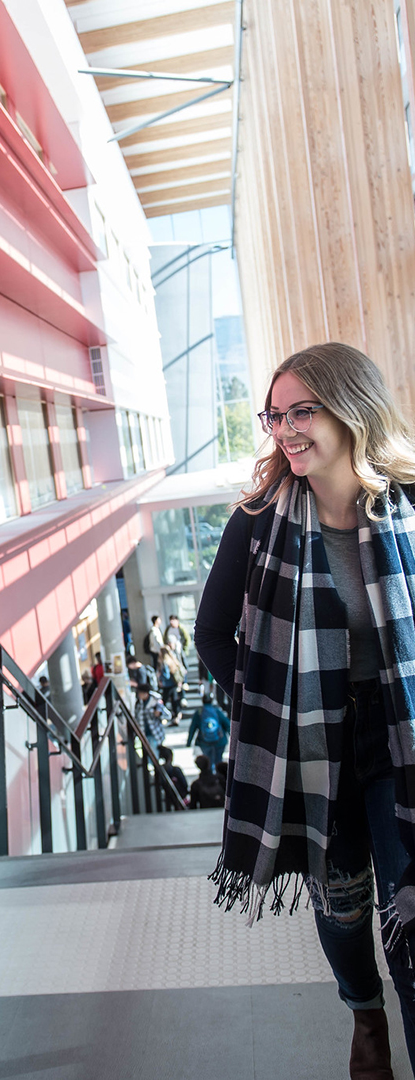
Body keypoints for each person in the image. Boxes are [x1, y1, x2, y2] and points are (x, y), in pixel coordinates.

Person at [196, 342, 415, 1078]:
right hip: (311, 737)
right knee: (343, 898)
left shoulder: (410, 507)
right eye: (274, 414)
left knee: (409, 911)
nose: (284, 429)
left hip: (399, 729)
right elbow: (210, 633)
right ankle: (363, 1009)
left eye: (301, 411)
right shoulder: (256, 523)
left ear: (351, 408)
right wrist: (268, 712)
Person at [186, 692, 230, 769]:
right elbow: (227, 724)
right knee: (218, 762)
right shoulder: (217, 711)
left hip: (204, 742)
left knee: (208, 763)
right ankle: (218, 777)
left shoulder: (199, 713)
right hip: (220, 741)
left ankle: (210, 776)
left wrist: (189, 742)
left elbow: (192, 728)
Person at [133, 682, 170, 754]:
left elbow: (168, 715)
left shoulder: (156, 702)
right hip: (143, 732)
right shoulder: (138, 703)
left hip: (154, 732)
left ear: (145, 693)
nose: (139, 695)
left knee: (153, 752)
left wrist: (158, 714)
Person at [157, 644, 186, 724]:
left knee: (164, 700)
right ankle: (176, 715)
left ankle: (163, 715)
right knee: (174, 700)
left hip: (168, 684)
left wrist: (160, 676)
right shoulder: (172, 659)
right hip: (174, 683)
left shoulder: (164, 662)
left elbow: (166, 675)